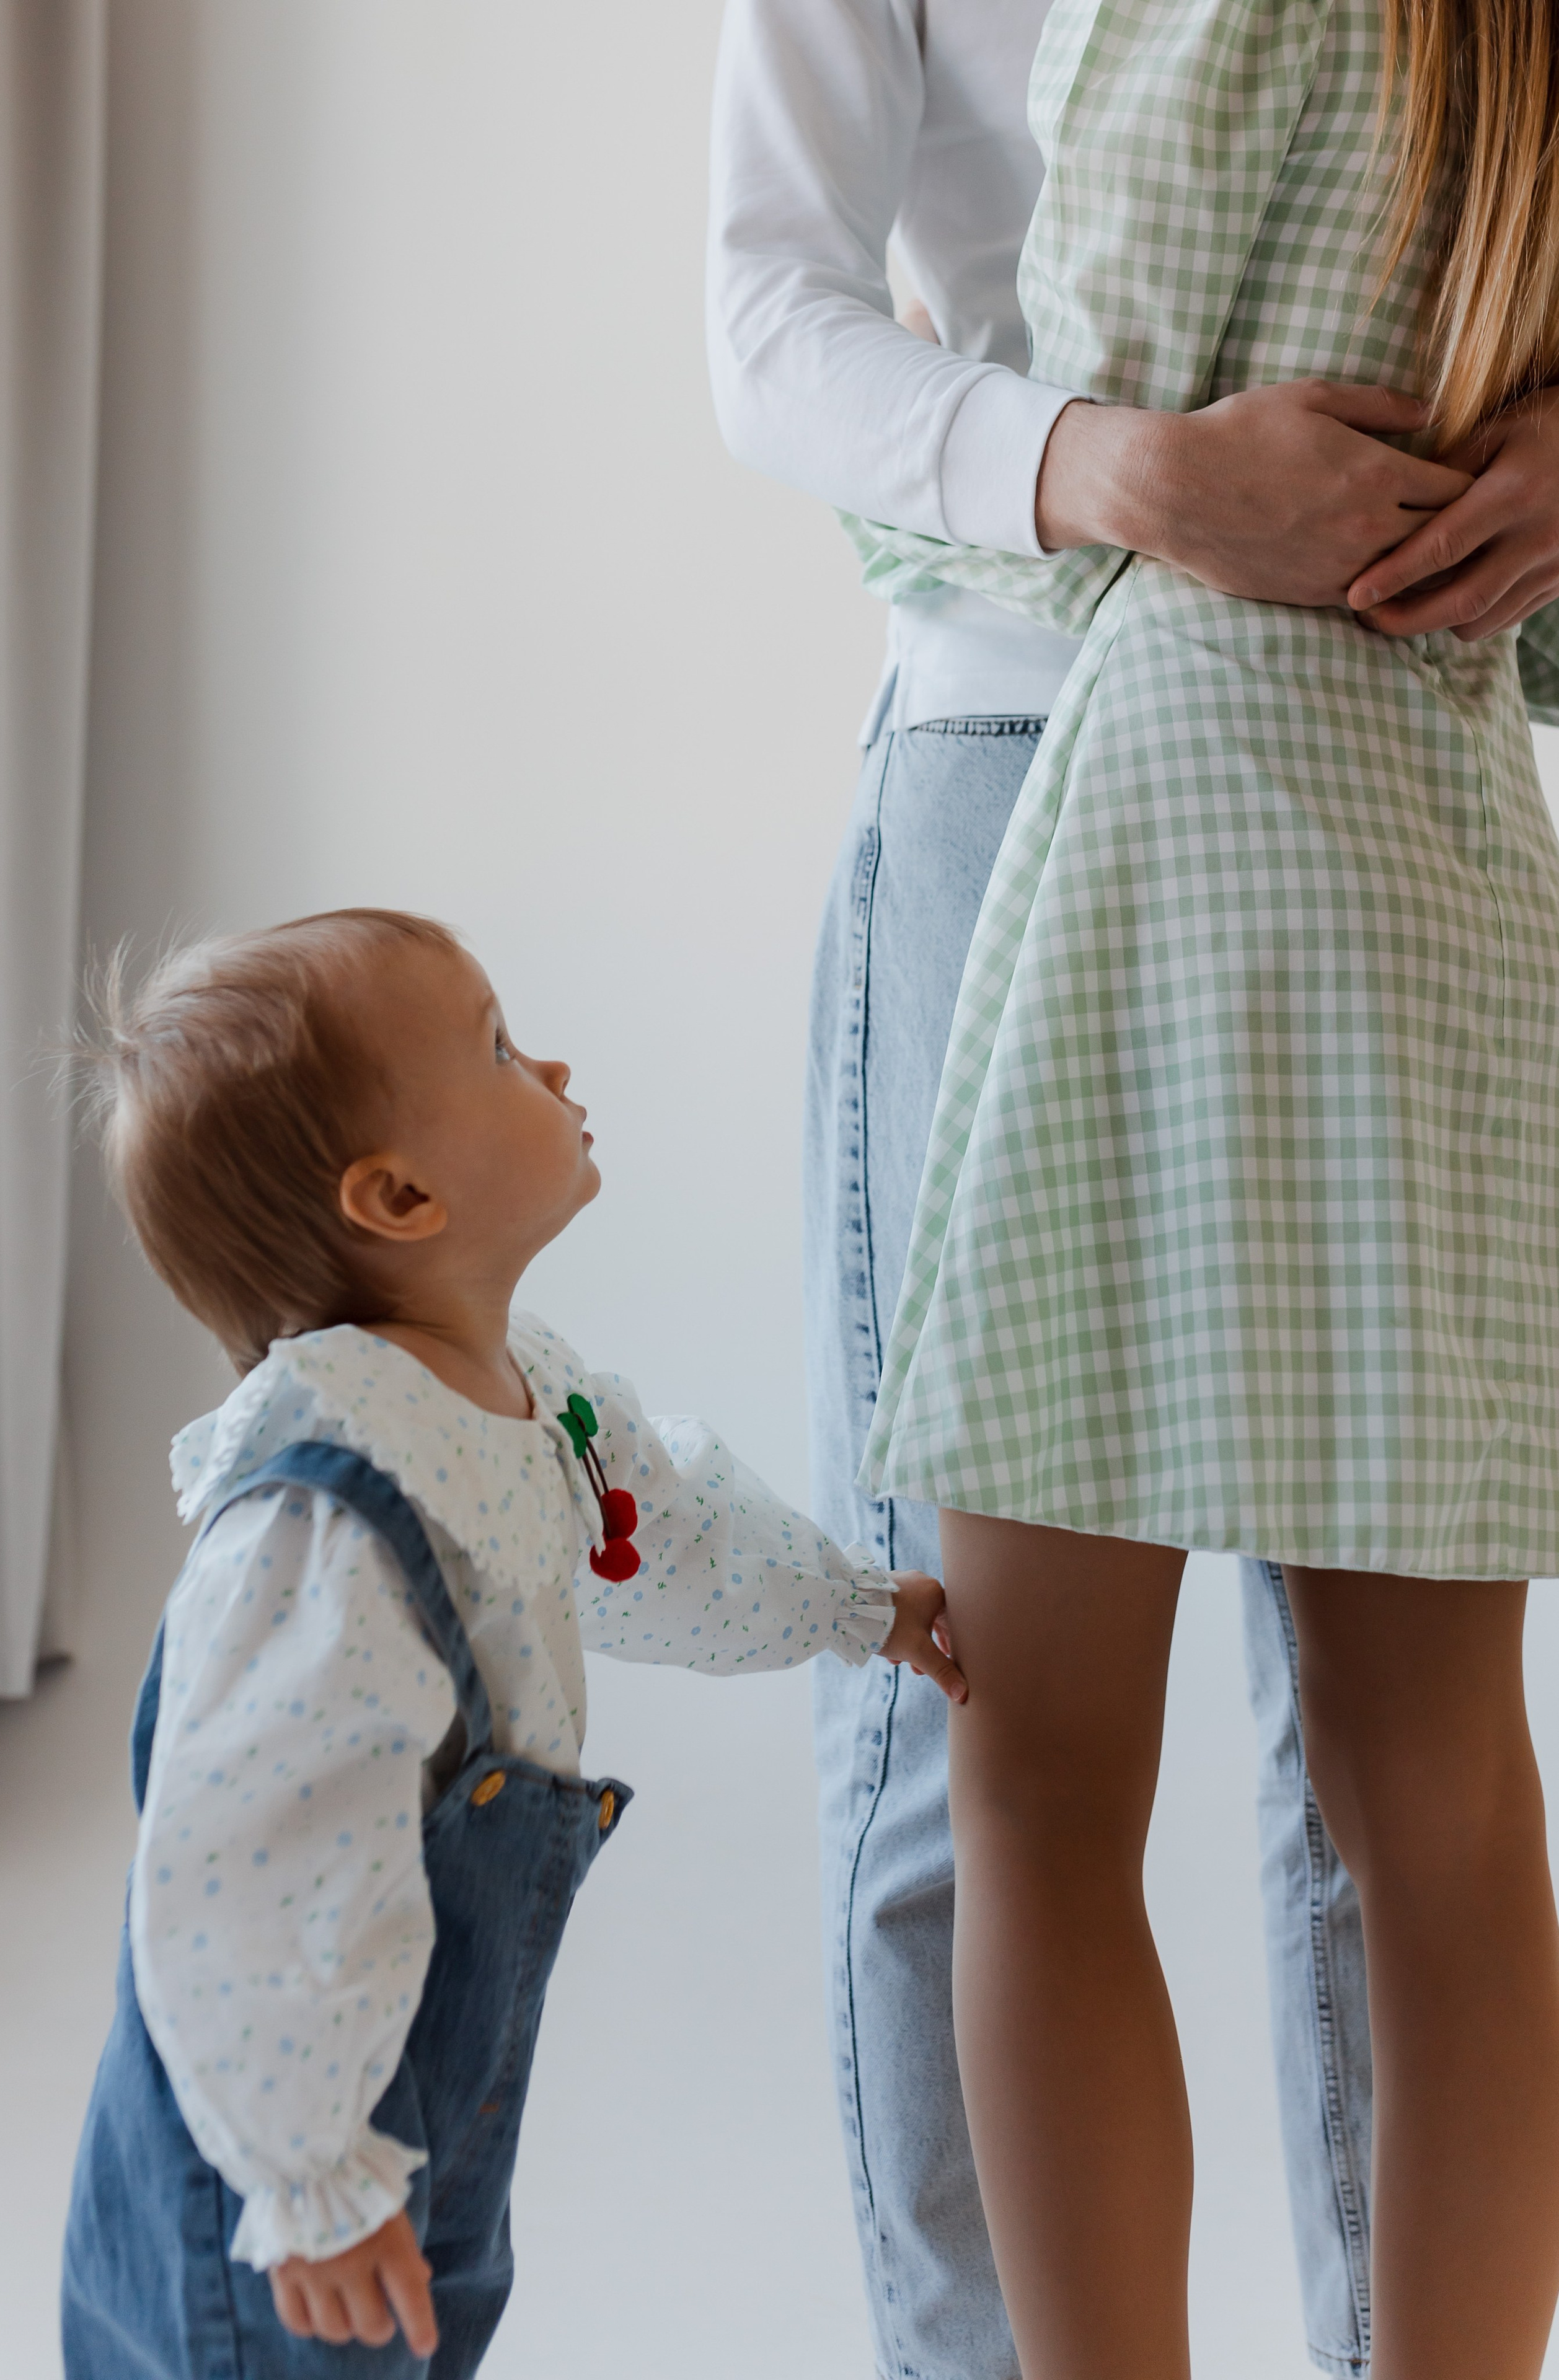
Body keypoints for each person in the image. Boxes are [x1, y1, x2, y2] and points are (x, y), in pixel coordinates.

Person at [705, 2, 1559, 2371]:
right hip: (1064, 755)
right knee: (1115, 1764)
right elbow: (763, 316)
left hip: (1315, 796)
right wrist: (1121, 471)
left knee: (1090, 1757)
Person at [59, 909, 961, 2380]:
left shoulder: (518, 1398)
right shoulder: (324, 1515)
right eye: (495, 1046)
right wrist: (309, 2183)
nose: (547, 1060)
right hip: (274, 2175)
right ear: (401, 1194)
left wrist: (852, 1608)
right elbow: (242, 1870)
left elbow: (656, 1539)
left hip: (417, 2107)